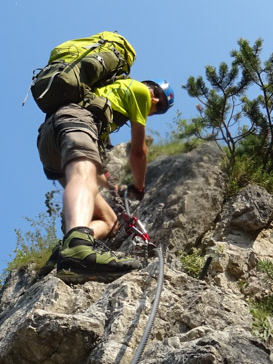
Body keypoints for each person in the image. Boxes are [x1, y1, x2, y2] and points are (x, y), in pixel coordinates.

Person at [36, 77, 174, 283]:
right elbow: (138, 152)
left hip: (49, 137)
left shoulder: (111, 92)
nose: (152, 112)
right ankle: (77, 248)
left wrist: (110, 185)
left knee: (110, 220)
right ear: (157, 99)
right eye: (158, 109)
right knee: (82, 177)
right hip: (75, 123)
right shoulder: (142, 93)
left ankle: (64, 251)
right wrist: (139, 186)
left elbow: (95, 176)